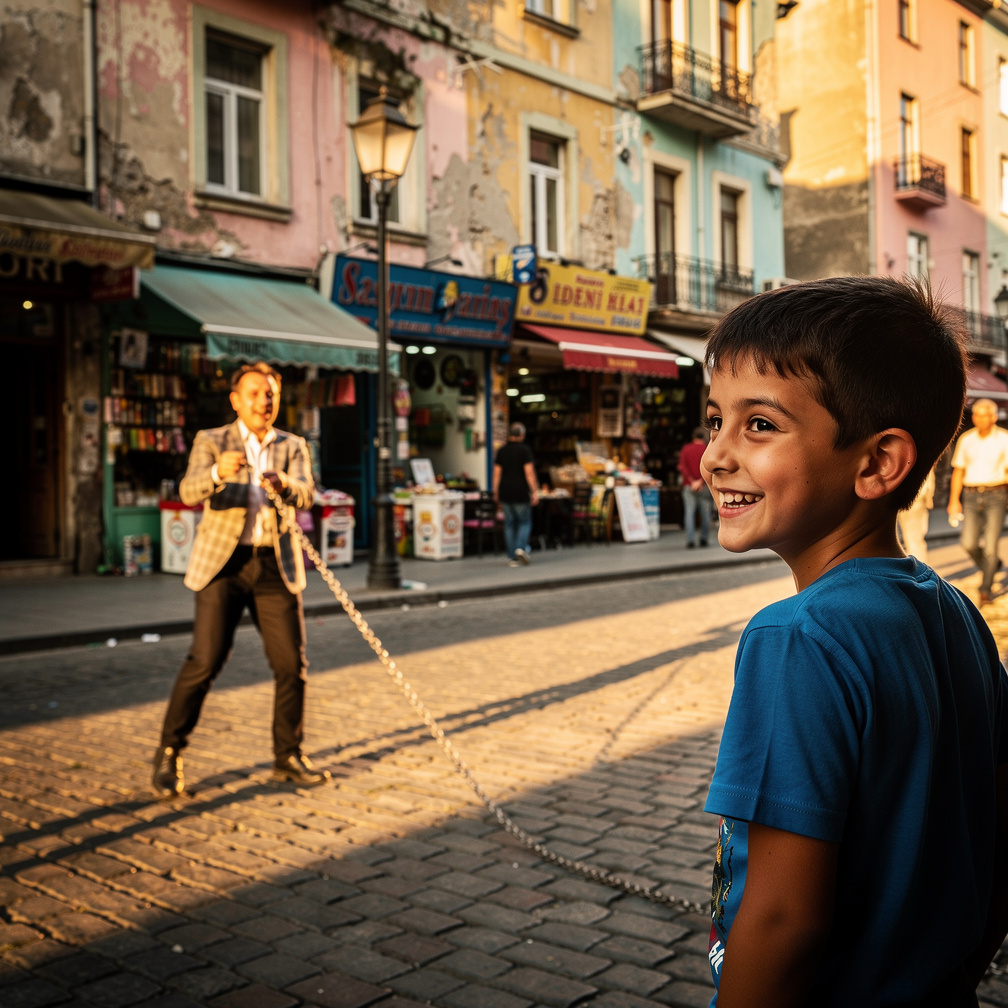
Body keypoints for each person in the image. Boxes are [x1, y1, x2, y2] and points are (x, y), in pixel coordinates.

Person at [700, 277, 1008, 1007]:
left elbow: (781, 921)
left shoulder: (797, 637)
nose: (714, 456)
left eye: (759, 425)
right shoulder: (955, 613)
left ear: (876, 464)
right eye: (715, 420)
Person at [152, 362, 330, 798]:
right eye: (254, 394)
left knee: (291, 666)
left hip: (274, 565)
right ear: (235, 400)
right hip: (223, 566)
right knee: (205, 660)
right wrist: (217, 473)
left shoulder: (292, 445)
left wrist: (284, 484)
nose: (262, 402)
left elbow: (309, 494)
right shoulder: (212, 440)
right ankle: (170, 752)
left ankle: (287, 755)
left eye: (270, 394)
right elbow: (187, 491)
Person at [947, 397, 1008, 605]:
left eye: (984, 416)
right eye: (976, 415)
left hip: (996, 495)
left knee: (991, 544)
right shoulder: (966, 439)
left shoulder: (1004, 439)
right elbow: (958, 471)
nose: (980, 419)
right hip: (971, 495)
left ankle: (985, 590)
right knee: (968, 542)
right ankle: (992, 565)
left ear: (993, 417)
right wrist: (954, 500)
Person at [493, 421, 539, 566]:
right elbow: (529, 473)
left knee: (509, 523)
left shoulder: (502, 451)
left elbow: (497, 474)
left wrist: (495, 491)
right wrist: (534, 491)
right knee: (524, 521)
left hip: (505, 491)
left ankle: (511, 557)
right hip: (520, 491)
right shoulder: (524, 450)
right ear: (522, 434)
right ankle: (520, 548)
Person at [678, 426, 712, 547]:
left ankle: (690, 540)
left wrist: (692, 481)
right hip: (705, 486)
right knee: (705, 513)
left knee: (689, 512)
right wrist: (701, 481)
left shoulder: (686, 449)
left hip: (689, 486)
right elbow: (709, 468)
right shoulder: (707, 449)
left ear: (693, 437)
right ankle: (704, 539)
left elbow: (683, 467)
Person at [896, 465, 935, 562]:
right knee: (914, 537)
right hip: (917, 494)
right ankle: (917, 564)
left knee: (912, 538)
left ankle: (916, 566)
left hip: (912, 496)